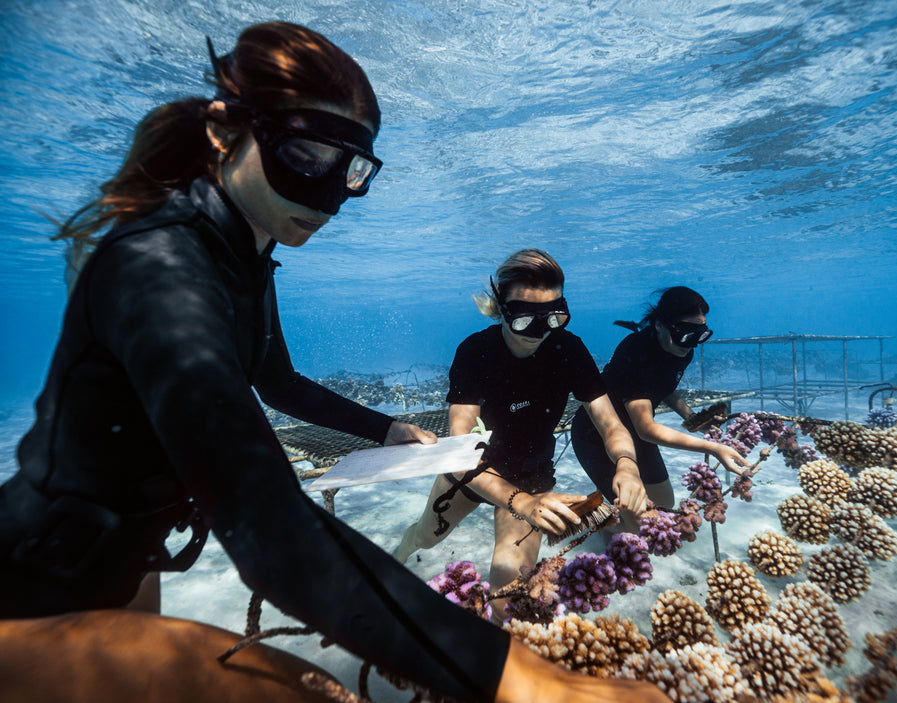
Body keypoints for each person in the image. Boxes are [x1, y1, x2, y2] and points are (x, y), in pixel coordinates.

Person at [0, 24, 670, 703]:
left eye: (351, 170)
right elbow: (268, 524)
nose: (327, 196)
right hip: (32, 578)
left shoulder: (244, 260)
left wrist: (384, 432)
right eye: (303, 155)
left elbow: (277, 382)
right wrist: (520, 676)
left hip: (124, 551)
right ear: (223, 128)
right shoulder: (160, 267)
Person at [393, 249, 649, 620]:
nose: (541, 331)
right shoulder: (475, 352)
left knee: (508, 591)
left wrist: (627, 465)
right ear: (501, 309)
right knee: (425, 538)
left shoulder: (569, 349)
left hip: (531, 476)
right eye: (525, 319)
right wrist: (520, 501)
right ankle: (395, 560)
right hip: (473, 474)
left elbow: (609, 421)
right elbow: (459, 447)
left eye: (554, 316)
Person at [570, 286, 747, 531]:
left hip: (635, 430)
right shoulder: (638, 353)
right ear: (660, 325)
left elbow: (663, 386)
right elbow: (646, 428)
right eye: (686, 333)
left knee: (663, 506)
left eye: (700, 334)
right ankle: (586, 521)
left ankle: (603, 512)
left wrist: (692, 418)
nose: (692, 343)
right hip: (595, 434)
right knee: (637, 522)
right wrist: (712, 448)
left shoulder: (681, 350)